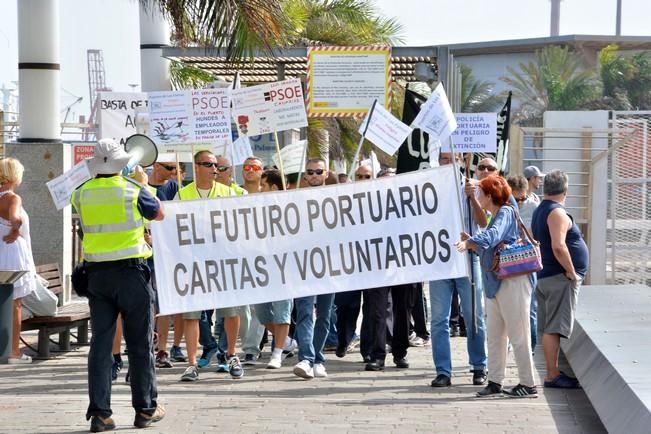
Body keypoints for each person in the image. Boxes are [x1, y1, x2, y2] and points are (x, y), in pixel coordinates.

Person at [71, 139, 165, 431]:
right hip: (132, 274)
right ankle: (145, 408)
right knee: (139, 344)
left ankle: (100, 414)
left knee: (101, 345)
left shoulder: (81, 193)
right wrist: (144, 183)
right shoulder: (133, 191)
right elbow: (158, 213)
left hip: (97, 277)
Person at [455, 175, 538, 398]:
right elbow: (492, 245)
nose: (477, 196)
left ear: (490, 195)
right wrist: (472, 241)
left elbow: (492, 237)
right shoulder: (497, 215)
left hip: (513, 281)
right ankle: (495, 380)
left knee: (518, 334)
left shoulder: (505, 212)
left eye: (481, 192)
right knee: (495, 334)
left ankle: (528, 384)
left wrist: (470, 242)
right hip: (497, 282)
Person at [175, 150, 241, 382]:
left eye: (218, 166)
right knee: (191, 315)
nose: (215, 169)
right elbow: (172, 227)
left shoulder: (228, 192)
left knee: (231, 312)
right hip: (193, 263)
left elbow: (239, 224)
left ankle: (232, 355)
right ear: (196, 167)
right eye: (209, 164)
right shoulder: (182, 195)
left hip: (223, 261)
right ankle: (192, 364)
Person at [429, 152, 487, 387]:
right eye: (442, 158)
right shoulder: (429, 186)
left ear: (462, 160)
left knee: (474, 316)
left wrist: (472, 198)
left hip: (468, 258)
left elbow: (483, 223)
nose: (446, 163)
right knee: (439, 320)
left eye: (451, 158)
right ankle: (443, 371)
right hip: (439, 261)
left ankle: (478, 366)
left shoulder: (474, 187)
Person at [531, 170, 588, 389]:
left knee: (549, 327)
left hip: (546, 276)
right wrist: (572, 272)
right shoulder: (556, 213)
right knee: (553, 328)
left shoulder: (540, 210)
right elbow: (558, 245)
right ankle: (552, 375)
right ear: (566, 190)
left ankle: (552, 372)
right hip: (558, 277)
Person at [293, 158, 335, 379]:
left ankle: (317, 357)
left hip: (330, 264)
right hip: (304, 264)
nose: (314, 175)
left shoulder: (335, 198)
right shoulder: (295, 199)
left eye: (318, 171)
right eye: (309, 172)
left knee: (325, 315)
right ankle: (307, 357)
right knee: (305, 312)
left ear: (326, 173)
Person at [252, 168, 297, 369]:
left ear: (274, 187)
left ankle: (277, 352)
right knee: (261, 312)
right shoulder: (256, 208)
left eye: (263, 185)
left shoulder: (291, 207)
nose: (260, 189)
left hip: (285, 267)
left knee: (282, 311)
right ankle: (287, 342)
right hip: (263, 267)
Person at [0, 157, 35, 364]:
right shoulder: (13, 198)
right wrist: (15, 228)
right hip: (12, 254)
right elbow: (16, 218)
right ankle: (13, 350)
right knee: (15, 303)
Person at [508, 174, 540, 352]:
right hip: (507, 262)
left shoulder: (534, 207)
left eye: (523, 197)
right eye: (516, 198)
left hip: (527, 261)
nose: (520, 202)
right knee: (509, 306)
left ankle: (531, 347)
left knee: (530, 307)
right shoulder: (502, 207)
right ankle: (510, 344)